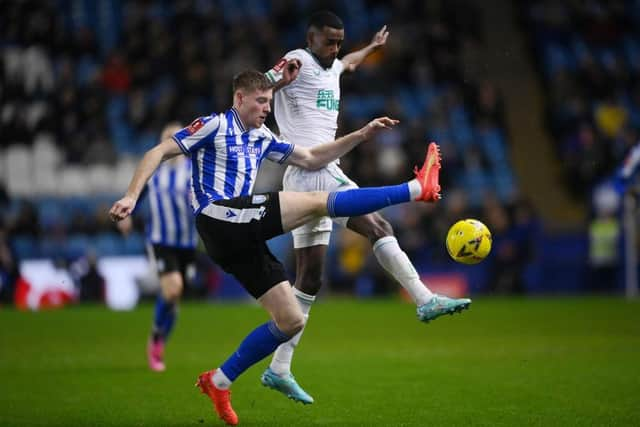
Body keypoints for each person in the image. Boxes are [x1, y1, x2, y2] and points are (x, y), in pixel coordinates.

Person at [109, 69, 445, 426]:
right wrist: (132, 195)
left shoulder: (262, 137)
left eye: (269, 102)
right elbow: (158, 151)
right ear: (239, 99)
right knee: (317, 201)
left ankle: (219, 381)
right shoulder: (213, 125)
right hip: (219, 217)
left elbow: (313, 158)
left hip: (238, 237)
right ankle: (414, 188)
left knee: (291, 320)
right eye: (260, 101)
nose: (266, 108)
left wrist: (361, 134)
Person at [262, 10, 472, 403]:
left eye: (340, 40)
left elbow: (346, 64)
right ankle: (425, 299)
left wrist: (370, 47)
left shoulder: (332, 65)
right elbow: (261, 84)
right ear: (311, 39)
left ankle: (279, 368)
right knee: (380, 228)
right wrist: (276, 82)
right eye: (329, 41)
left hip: (305, 177)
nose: (335, 48)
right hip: (317, 168)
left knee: (309, 279)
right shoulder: (298, 60)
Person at [117, 122, 198, 372]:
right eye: (167, 136)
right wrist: (128, 215)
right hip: (161, 240)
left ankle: (159, 342)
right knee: (173, 289)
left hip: (187, 242)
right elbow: (137, 195)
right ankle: (155, 337)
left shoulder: (193, 170)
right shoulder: (155, 172)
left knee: (174, 298)